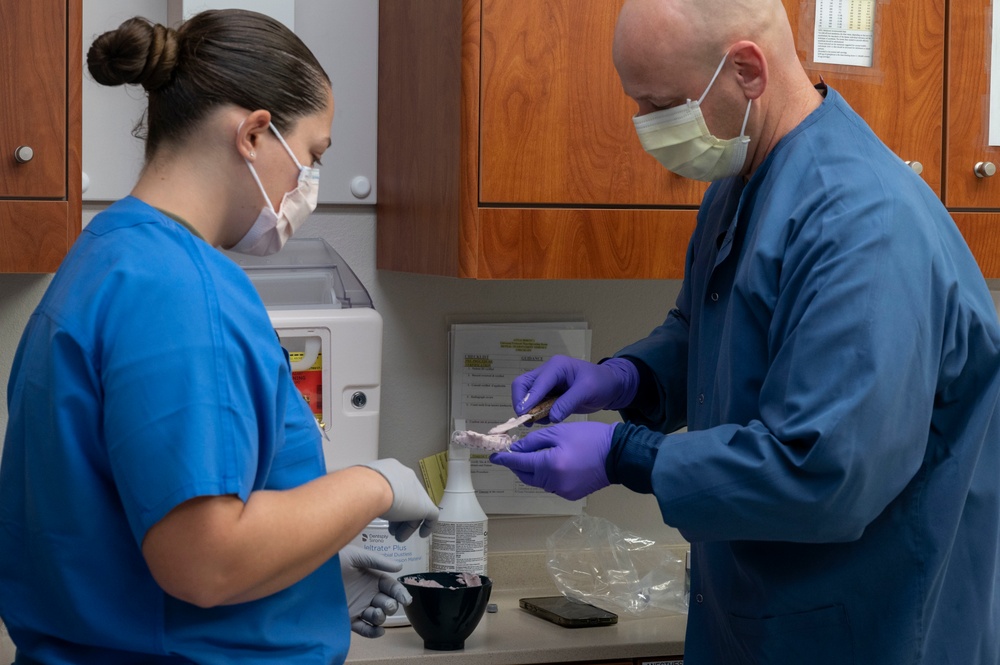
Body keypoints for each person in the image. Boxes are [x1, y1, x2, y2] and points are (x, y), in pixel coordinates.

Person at [490, 0, 1000, 663]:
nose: (645, 126)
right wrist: (626, 376)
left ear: (747, 71)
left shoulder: (863, 225)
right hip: (755, 621)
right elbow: (714, 329)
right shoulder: (743, 179)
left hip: (869, 631)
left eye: (663, 103)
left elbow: (822, 470)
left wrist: (624, 454)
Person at [0, 10, 437, 664]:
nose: (307, 185)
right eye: (312, 155)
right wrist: (372, 485)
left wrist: (301, 581)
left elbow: (120, 526)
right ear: (256, 133)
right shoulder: (180, 292)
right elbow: (203, 561)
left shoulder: (106, 258)